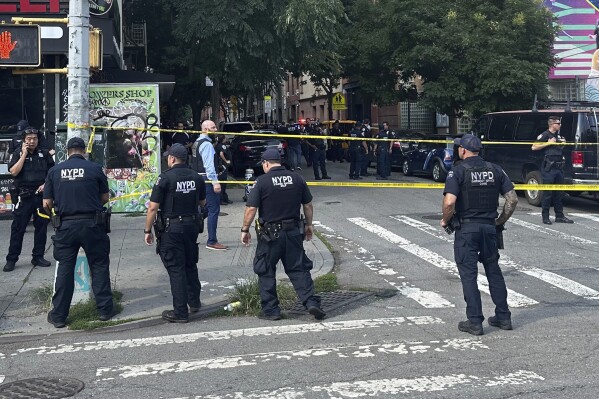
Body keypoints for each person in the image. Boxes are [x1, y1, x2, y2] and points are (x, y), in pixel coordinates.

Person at [440, 134, 518, 336]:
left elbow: (449, 202)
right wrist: (499, 221)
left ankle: (474, 321)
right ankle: (503, 317)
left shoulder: (458, 171)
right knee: (493, 270)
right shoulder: (496, 169)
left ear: (463, 150)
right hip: (489, 228)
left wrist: (445, 220)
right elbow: (512, 200)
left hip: (467, 229)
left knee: (468, 274)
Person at [240, 148, 325, 321]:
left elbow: (251, 209)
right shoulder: (297, 178)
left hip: (270, 236)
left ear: (265, 163)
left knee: (265, 269)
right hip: (294, 232)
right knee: (299, 268)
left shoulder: (262, 181)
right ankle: (311, 302)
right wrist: (309, 225)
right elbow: (308, 205)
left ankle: (271, 310)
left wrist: (245, 229)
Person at [43, 137, 113, 328]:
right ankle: (105, 311)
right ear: (83, 151)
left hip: (66, 226)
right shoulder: (94, 168)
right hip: (92, 224)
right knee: (98, 266)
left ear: (67, 151)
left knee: (65, 270)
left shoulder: (54, 171)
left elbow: (47, 203)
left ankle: (58, 316)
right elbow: (105, 197)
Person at [144, 143, 206, 323]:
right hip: (192, 226)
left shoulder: (165, 178)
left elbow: (153, 208)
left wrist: (148, 230)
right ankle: (194, 302)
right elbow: (202, 203)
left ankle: (180, 312)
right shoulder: (196, 177)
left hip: (172, 229)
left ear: (171, 158)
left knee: (176, 269)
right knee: (190, 264)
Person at [4, 128, 54, 272]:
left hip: (40, 197)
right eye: (29, 138)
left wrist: (45, 185)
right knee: (18, 229)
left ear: (38, 140)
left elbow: (51, 174)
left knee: (41, 228)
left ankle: (38, 257)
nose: (32, 141)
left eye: (34, 138)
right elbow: (13, 172)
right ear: (24, 140)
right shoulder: (17, 153)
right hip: (23, 197)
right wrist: (23, 155)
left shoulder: (44, 154)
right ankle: (11, 259)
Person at [191, 120, 228, 250]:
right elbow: (209, 165)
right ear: (206, 129)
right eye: (213, 128)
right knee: (213, 209)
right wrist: (215, 182)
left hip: (198, 177)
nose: (215, 129)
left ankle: (192, 231)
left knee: (204, 209)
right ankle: (212, 241)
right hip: (206, 178)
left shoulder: (197, 142)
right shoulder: (206, 144)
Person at [531, 116, 574, 225]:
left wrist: (562, 144)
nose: (560, 125)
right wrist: (548, 143)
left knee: (559, 193)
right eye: (558, 123)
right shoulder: (545, 135)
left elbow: (557, 150)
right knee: (547, 193)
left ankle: (559, 216)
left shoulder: (558, 135)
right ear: (552, 124)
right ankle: (545, 217)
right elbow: (534, 147)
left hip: (559, 168)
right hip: (549, 168)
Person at [215, 135, 233, 205]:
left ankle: (225, 198)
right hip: (222, 167)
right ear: (223, 139)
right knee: (223, 183)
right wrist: (226, 161)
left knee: (222, 183)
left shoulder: (217, 146)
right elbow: (221, 153)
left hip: (220, 166)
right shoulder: (222, 146)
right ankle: (221, 199)